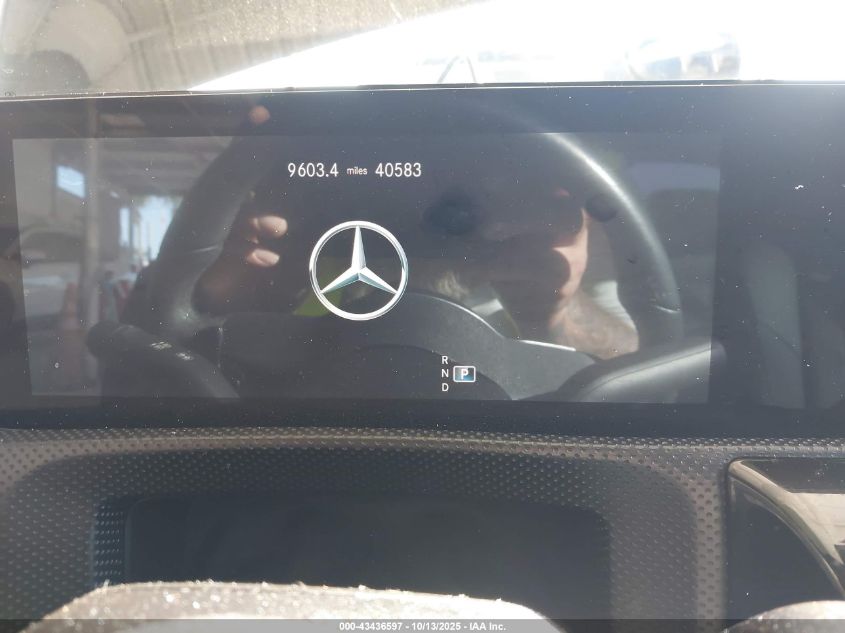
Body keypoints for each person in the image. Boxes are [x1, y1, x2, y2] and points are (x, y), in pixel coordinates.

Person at [197, 106, 638, 360]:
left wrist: (553, 314)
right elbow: (176, 359)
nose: (429, 211)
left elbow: (639, 366)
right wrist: (229, 300)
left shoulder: (564, 260)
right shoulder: (306, 247)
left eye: (476, 181)